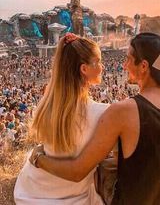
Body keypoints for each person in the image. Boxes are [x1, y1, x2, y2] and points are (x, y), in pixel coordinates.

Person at [31, 32, 160, 205]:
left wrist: (37, 158)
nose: (124, 65)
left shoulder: (123, 111)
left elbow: (77, 171)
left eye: (129, 59)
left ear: (144, 66)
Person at [14, 33, 109, 204]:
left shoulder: (48, 103)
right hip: (74, 198)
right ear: (84, 69)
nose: (102, 67)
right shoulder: (102, 113)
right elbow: (77, 172)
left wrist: (37, 158)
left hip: (32, 191)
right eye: (98, 61)